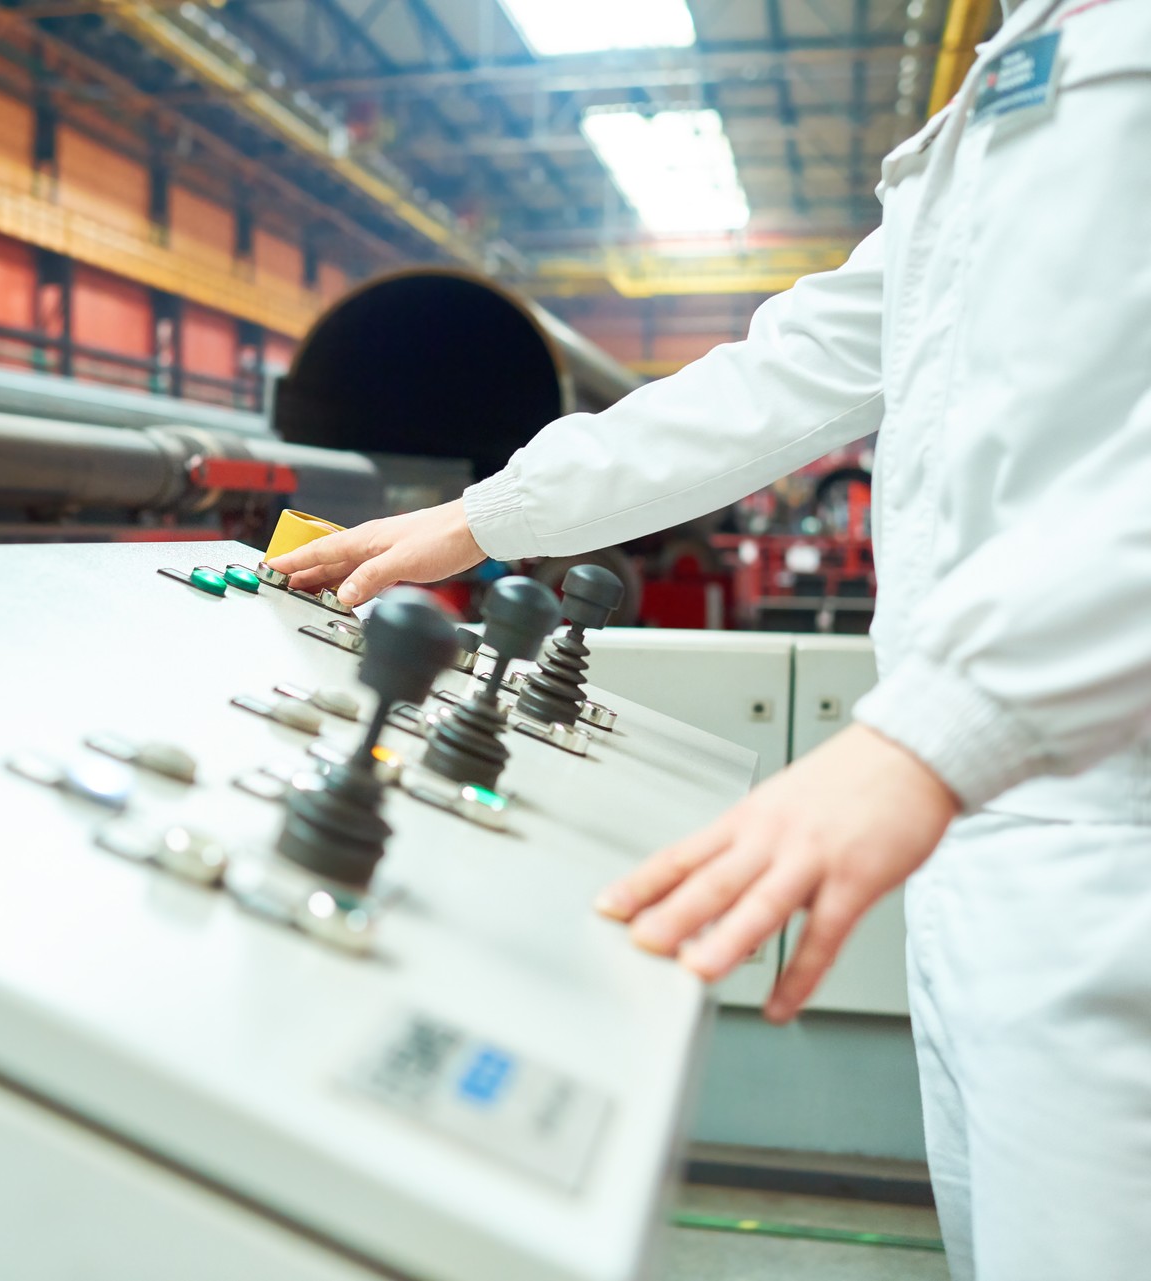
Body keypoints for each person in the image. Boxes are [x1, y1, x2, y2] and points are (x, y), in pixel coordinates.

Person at [267, 2, 1151, 1276]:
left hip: (1094, 821)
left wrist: (934, 736)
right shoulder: (1008, 77)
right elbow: (784, 375)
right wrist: (484, 518)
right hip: (988, 824)